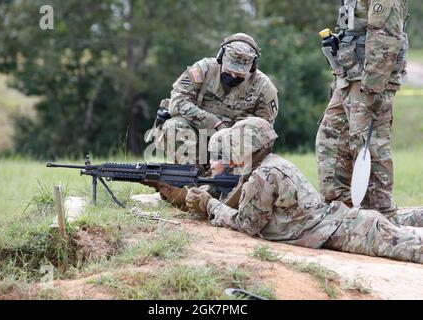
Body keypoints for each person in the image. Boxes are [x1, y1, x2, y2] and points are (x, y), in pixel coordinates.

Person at [186, 117, 423, 264]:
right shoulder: (273, 164)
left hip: (347, 230)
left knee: (413, 249)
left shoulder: (263, 176)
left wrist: (209, 204)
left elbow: (247, 224)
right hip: (345, 223)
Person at [315, 0, 409, 217]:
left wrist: (373, 87)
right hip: (349, 76)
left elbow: (385, 35)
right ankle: (339, 210)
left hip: (369, 80)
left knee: (369, 144)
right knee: (331, 138)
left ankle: (381, 215)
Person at [151, 32, 279, 165]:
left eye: (240, 73)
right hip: (199, 139)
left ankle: (233, 178)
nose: (234, 76)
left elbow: (265, 132)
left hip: (236, 149)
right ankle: (191, 177)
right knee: (173, 126)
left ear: (252, 67)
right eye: (229, 70)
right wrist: (213, 123)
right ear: (220, 57)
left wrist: (231, 138)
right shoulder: (203, 70)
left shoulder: (264, 87)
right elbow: (177, 103)